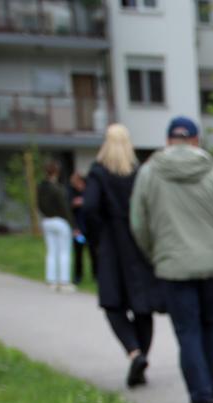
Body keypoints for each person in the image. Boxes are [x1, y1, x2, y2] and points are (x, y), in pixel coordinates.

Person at [130, 116, 213, 403]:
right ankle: (212, 389)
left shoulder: (149, 173)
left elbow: (138, 222)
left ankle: (200, 399)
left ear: (167, 141)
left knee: (187, 330)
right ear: (196, 141)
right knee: (210, 324)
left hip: (173, 264)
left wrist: (156, 254)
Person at [82, 123, 161, 388]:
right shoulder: (139, 174)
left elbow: (90, 206)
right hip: (138, 243)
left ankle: (134, 352)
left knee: (112, 304)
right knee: (142, 307)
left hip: (112, 245)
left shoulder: (98, 173)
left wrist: (96, 236)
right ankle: (142, 356)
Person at [36, 160, 74, 292]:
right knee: (64, 252)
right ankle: (64, 281)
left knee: (52, 252)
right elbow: (64, 208)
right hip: (60, 221)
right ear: (56, 172)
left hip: (46, 220)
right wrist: (72, 224)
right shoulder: (57, 188)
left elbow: (39, 205)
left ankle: (51, 280)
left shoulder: (41, 187)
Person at [68, 170, 91, 284]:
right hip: (78, 230)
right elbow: (68, 212)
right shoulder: (71, 193)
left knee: (94, 254)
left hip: (90, 229)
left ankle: (96, 275)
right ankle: (78, 276)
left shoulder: (89, 192)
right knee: (78, 254)